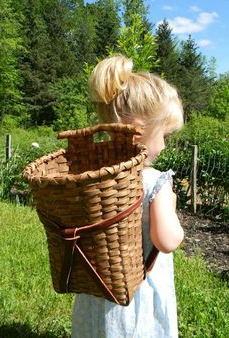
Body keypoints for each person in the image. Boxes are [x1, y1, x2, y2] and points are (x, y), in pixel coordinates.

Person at [71, 55, 184, 338]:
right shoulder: (155, 180)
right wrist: (169, 205)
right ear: (138, 131)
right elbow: (167, 240)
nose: (164, 144)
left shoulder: (95, 176)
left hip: (98, 289)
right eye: (164, 135)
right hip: (137, 298)